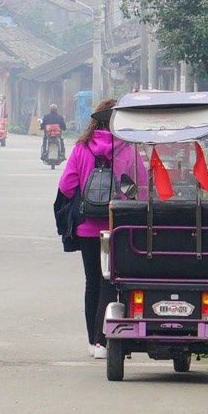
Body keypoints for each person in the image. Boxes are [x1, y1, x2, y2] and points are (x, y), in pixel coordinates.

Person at [54, 100, 141, 355]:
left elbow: (67, 186)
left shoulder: (82, 148)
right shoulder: (128, 149)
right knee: (115, 283)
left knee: (92, 281)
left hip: (88, 229)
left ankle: (94, 341)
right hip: (120, 228)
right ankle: (109, 340)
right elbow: (141, 186)